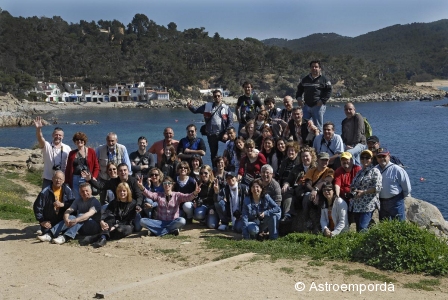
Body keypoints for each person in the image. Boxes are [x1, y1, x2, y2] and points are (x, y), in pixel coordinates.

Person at [187, 89, 233, 166]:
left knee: (232, 147)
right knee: (213, 153)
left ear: (221, 97)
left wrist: (226, 133)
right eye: (215, 96)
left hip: (223, 133)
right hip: (211, 134)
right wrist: (190, 106)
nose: (217, 97)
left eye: (219, 96)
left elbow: (230, 121)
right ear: (213, 97)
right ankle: (215, 169)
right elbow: (196, 110)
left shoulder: (226, 108)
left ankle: (229, 165)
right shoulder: (207, 106)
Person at [93, 182, 137, 248]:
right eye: (120, 191)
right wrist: (101, 221)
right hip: (113, 224)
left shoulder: (133, 203)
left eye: (124, 191)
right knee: (109, 219)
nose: (122, 193)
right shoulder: (114, 202)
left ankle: (99, 236)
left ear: (128, 192)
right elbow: (107, 213)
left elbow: (128, 220)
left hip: (126, 225)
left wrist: (116, 226)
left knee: (120, 229)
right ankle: (103, 238)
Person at [34, 171, 75, 240]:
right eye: (56, 178)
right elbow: (37, 207)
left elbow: (73, 204)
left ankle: (51, 234)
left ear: (64, 180)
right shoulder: (45, 192)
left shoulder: (67, 190)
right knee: (46, 230)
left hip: (62, 219)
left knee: (73, 218)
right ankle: (52, 233)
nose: (58, 181)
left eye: (60, 179)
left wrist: (63, 204)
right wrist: (42, 221)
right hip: (49, 220)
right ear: (52, 179)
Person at [281, 146, 318, 221]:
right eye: (302, 156)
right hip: (297, 192)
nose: (305, 158)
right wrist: (286, 184)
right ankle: (288, 214)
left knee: (307, 196)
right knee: (287, 191)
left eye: (306, 156)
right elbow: (289, 179)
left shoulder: (316, 168)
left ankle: (306, 218)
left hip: (309, 192)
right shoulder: (297, 168)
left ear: (311, 156)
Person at [34, 116, 71, 188]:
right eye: (56, 134)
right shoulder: (47, 146)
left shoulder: (67, 148)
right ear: (52, 135)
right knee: (46, 198)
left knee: (61, 199)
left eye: (60, 135)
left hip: (61, 179)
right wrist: (38, 129)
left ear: (63, 137)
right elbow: (40, 138)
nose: (58, 136)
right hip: (48, 178)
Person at [350, 150, 382, 232]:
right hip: (357, 206)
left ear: (371, 159)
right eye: (362, 158)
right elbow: (353, 185)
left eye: (367, 158)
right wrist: (354, 191)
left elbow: (378, 188)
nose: (364, 160)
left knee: (363, 228)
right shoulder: (359, 172)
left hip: (368, 205)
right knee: (358, 229)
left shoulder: (375, 171)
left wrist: (364, 192)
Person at [302, 152, 335, 233]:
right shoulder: (312, 170)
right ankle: (307, 220)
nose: (324, 162)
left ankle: (323, 226)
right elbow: (307, 184)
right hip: (312, 194)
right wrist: (314, 192)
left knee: (323, 202)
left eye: (326, 160)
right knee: (306, 196)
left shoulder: (330, 171)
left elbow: (326, 182)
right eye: (322, 160)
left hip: (323, 194)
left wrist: (316, 190)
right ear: (318, 160)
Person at [375, 148, 411, 221]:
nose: (381, 158)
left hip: (396, 201)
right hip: (381, 202)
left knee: (399, 225)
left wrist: (400, 198)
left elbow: (407, 187)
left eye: (383, 156)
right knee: (384, 226)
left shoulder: (397, 169)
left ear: (389, 156)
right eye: (379, 157)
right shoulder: (375, 170)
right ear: (376, 158)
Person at [296, 60, 332, 132]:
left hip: (318, 106)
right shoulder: (305, 79)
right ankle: (306, 141)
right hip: (306, 106)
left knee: (318, 127)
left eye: (316, 67)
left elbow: (329, 91)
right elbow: (299, 89)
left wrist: (322, 100)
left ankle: (319, 141)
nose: (314, 68)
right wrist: (299, 99)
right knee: (303, 124)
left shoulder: (324, 79)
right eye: (312, 67)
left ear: (320, 68)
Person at [65, 132, 99, 201]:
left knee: (87, 197)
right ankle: (78, 211)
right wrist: (66, 181)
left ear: (84, 141)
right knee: (76, 198)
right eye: (77, 140)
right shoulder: (72, 153)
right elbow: (68, 168)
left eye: (81, 140)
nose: (79, 141)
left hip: (86, 178)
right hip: (75, 178)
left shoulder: (91, 151)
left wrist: (94, 177)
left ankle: (87, 211)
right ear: (75, 142)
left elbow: (96, 166)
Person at [276, 141, 301, 221]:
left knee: (285, 193)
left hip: (293, 185)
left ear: (296, 151)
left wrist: (287, 184)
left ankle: (286, 215)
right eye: (289, 150)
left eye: (292, 150)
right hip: (283, 183)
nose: (290, 152)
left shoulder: (299, 162)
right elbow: (280, 175)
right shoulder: (285, 161)